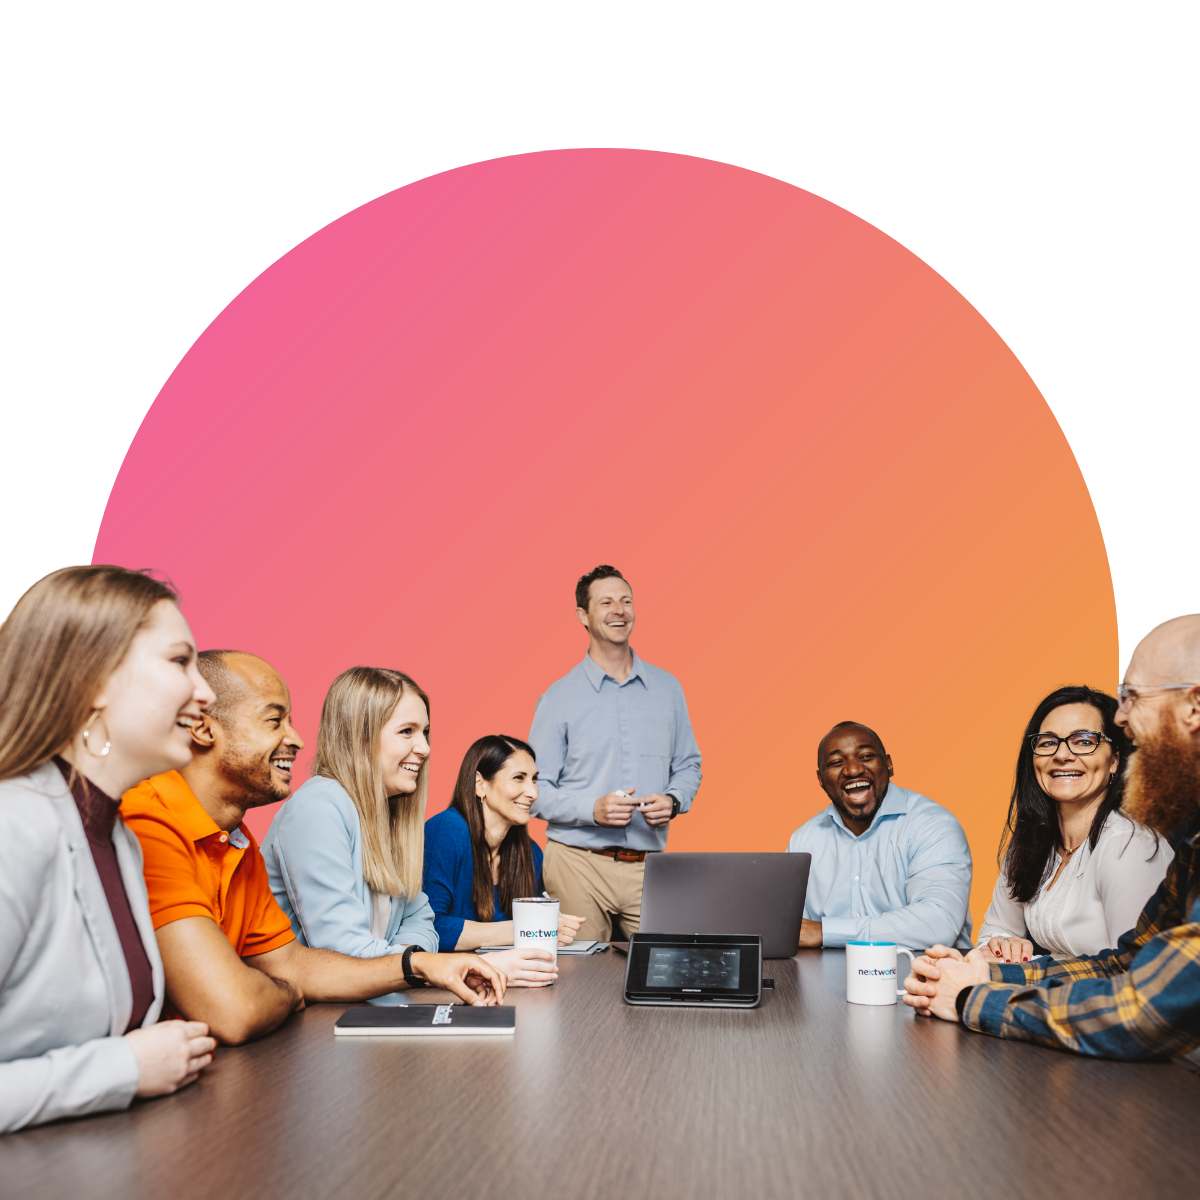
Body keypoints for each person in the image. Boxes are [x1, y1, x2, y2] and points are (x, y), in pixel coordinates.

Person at [121, 651, 506, 1046]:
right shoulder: (148, 820)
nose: (298, 740)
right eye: (275, 721)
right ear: (202, 728)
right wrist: (290, 991)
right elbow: (241, 1005)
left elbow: (292, 965)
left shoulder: (238, 840)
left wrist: (417, 964)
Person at [903, 614, 1200, 1070]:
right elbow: (1127, 962)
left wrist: (971, 999)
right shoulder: (1191, 840)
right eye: (1048, 742)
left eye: (1132, 697)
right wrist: (989, 973)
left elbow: (1145, 1007)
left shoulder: (1129, 844)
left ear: (1194, 706)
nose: (1122, 716)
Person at [1, 566, 217, 1133]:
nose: (206, 692)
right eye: (179, 662)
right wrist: (119, 1069)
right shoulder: (13, 826)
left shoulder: (117, 835)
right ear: (94, 678)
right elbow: (117, 1059)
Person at [263, 675, 563, 993]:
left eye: (425, 732)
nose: (424, 748)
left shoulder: (390, 818)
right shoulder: (318, 807)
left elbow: (422, 920)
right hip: (313, 1022)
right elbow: (345, 957)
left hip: (376, 1001)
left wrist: (415, 963)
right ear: (360, 737)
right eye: (407, 731)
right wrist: (432, 967)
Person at [527, 566, 702, 942]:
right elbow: (533, 791)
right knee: (582, 987)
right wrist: (592, 810)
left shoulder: (667, 688)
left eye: (626, 601)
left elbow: (689, 765)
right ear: (583, 616)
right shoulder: (558, 697)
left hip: (649, 867)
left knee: (661, 975)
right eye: (606, 602)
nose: (618, 610)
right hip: (578, 864)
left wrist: (673, 800)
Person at [976, 685, 1171, 963]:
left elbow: (1135, 971)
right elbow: (994, 931)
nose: (1062, 754)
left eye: (1083, 741)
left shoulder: (1128, 845)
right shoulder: (1033, 840)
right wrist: (1004, 947)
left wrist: (1029, 971)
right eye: (1047, 742)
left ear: (1115, 759)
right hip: (1052, 996)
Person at [787, 721, 973, 950]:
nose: (853, 770)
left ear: (889, 764)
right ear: (820, 779)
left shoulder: (934, 825)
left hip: (926, 980)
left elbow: (938, 921)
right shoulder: (804, 840)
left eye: (865, 757)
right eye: (836, 762)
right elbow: (794, 932)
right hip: (828, 980)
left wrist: (825, 932)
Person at [424, 734, 585, 982]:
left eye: (534, 780)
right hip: (444, 986)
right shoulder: (448, 829)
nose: (532, 792)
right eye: (518, 778)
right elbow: (431, 930)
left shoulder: (530, 853)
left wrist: (553, 928)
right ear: (480, 784)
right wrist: (529, 930)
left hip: (505, 981)